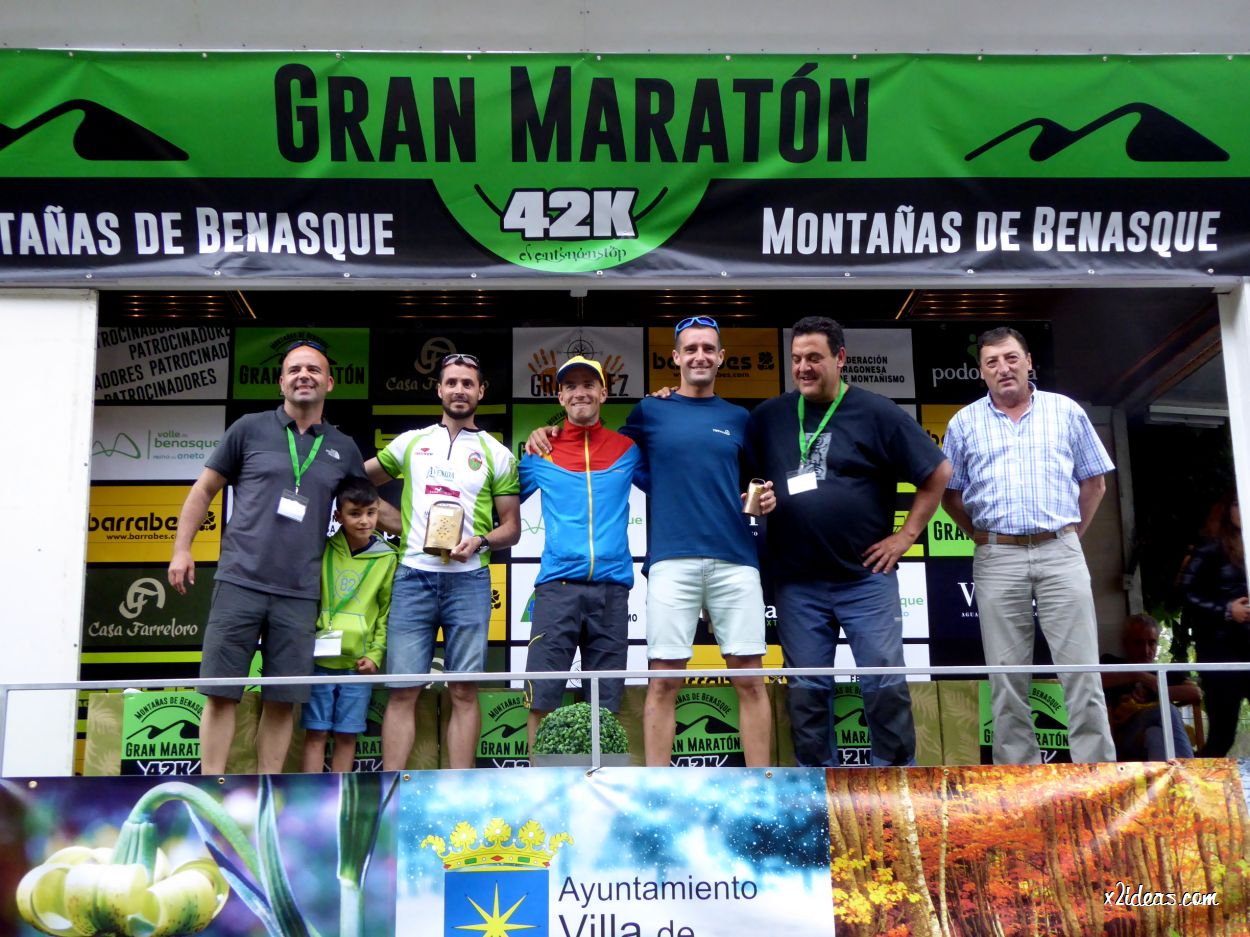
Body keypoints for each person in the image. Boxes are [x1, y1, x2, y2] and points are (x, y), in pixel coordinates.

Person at [528, 316, 775, 768]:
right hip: (669, 561)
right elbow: (590, 448)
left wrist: (762, 500)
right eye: (690, 348)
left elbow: (752, 483)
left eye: (708, 348)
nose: (699, 356)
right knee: (662, 681)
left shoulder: (740, 418)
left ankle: (763, 785)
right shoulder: (648, 412)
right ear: (675, 357)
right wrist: (541, 432)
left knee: (751, 680)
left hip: (735, 559)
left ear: (721, 357)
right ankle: (656, 786)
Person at [746, 316, 951, 767]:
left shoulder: (876, 412)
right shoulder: (769, 417)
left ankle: (893, 782)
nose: (803, 367)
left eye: (814, 358)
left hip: (865, 579)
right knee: (807, 690)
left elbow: (938, 471)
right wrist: (755, 498)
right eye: (796, 359)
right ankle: (816, 785)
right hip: (797, 583)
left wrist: (905, 537)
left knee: (884, 683)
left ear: (839, 358)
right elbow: (747, 480)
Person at [168, 339, 366, 774]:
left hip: (300, 592)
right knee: (221, 692)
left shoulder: (343, 447)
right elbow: (204, 490)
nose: (304, 376)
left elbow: (365, 508)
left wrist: (420, 529)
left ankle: (267, 789)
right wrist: (182, 549)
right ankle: (211, 784)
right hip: (240, 581)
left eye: (313, 370)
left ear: (330, 383)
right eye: (295, 369)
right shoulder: (249, 428)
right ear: (281, 382)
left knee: (282, 698)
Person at [942, 326, 1116, 765]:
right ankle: (1018, 781)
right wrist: (983, 537)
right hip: (997, 555)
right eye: (992, 362)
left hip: (1060, 550)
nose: (1003, 368)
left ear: (1029, 362)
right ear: (982, 372)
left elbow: (1094, 483)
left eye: (1011, 358)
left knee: (1082, 673)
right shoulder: (963, 423)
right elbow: (950, 496)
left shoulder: (1066, 411)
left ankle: (1097, 775)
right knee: (1006, 680)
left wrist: (1071, 535)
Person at [365, 352, 520, 770]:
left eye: (468, 383)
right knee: (402, 690)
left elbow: (512, 529)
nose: (459, 390)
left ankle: (460, 788)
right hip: (413, 577)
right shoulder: (411, 442)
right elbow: (356, 482)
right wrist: (400, 524)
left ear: (481, 391)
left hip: (469, 581)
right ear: (439, 389)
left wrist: (481, 541)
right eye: (451, 382)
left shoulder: (497, 453)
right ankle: (392, 787)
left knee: (464, 690)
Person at [518, 356, 642, 751]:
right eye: (570, 386)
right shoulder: (540, 451)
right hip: (557, 589)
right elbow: (496, 504)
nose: (580, 392)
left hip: (611, 591)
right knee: (542, 699)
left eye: (589, 384)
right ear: (560, 396)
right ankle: (539, 782)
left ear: (603, 393)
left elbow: (675, 484)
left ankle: (598, 779)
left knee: (604, 704)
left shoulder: (628, 450)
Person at [301, 477, 398, 773]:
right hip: (319, 661)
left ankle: (339, 794)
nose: (364, 521)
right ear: (338, 516)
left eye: (371, 513)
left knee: (346, 735)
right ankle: (312, 794)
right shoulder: (322, 549)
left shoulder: (387, 558)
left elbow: (386, 613)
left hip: (359, 665)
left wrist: (375, 654)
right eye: (355, 514)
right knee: (316, 733)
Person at [1178, 490, 1249, 757]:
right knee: (1222, 736)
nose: (1242, 509)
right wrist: (1227, 610)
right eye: (1236, 503)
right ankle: (1198, 782)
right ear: (1227, 509)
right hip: (1222, 652)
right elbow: (1186, 592)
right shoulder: (1211, 546)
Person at [1100, 613, 1200, 761]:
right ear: (1126, 643)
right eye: (1138, 643)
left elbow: (1195, 692)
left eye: (1152, 643)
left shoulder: (1163, 672)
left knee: (1155, 734)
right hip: (1125, 739)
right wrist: (1138, 675)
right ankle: (1189, 769)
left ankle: (1172, 775)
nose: (1146, 650)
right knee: (1167, 710)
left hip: (1152, 742)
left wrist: (1155, 689)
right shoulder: (1112, 663)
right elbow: (1095, 681)